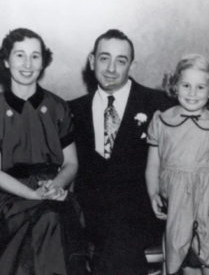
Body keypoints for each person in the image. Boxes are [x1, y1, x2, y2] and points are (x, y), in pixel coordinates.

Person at [0, 28, 85, 275]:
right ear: (6, 60)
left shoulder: (58, 107)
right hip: (10, 199)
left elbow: (71, 163)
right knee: (47, 220)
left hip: (52, 192)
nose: (27, 64)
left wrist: (56, 187)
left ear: (43, 62)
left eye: (35, 56)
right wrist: (33, 195)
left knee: (53, 218)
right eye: (19, 55)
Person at [69, 29, 174, 275]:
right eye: (104, 58)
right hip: (89, 216)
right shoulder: (72, 110)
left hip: (142, 215)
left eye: (121, 61)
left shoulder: (160, 105)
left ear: (132, 65)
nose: (111, 69)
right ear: (92, 60)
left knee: (118, 236)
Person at [146, 54, 209, 275]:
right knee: (175, 251)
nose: (193, 93)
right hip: (175, 200)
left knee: (207, 248)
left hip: (206, 199)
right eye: (186, 85)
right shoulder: (162, 121)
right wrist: (154, 193)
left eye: (201, 87)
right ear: (175, 86)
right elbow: (153, 165)